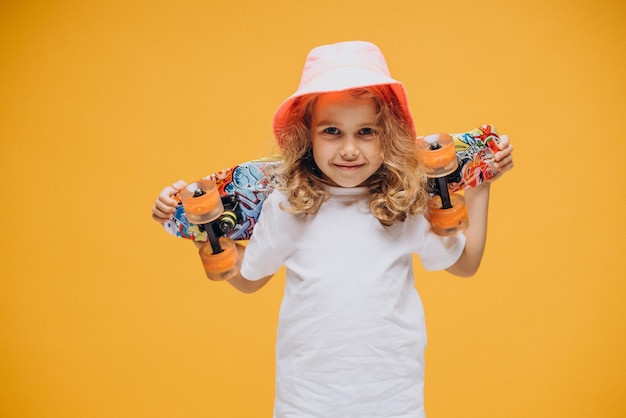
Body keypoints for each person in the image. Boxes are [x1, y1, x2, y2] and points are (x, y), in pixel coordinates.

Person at [152, 41, 514, 418]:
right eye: (331, 131)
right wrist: (201, 226)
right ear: (305, 135)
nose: (349, 150)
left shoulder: (405, 204)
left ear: (388, 135)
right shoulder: (286, 205)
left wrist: (480, 181)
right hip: (306, 403)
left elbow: (466, 263)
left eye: (366, 132)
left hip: (393, 402)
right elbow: (247, 279)